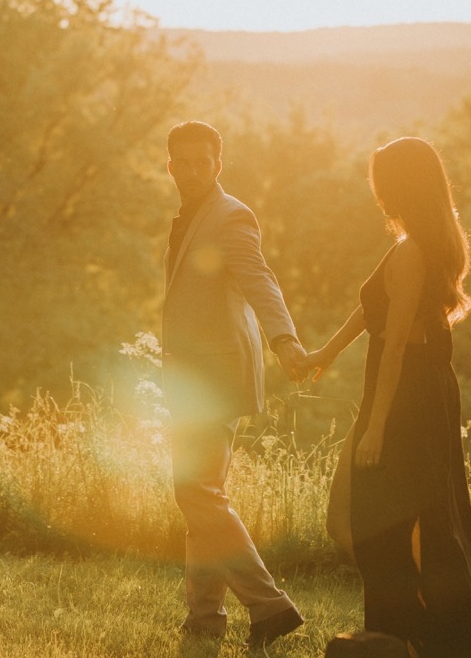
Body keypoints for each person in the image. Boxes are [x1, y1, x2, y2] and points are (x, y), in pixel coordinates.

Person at [304, 137, 471, 658]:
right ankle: (412, 635)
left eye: (380, 179)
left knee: (398, 520)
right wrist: (324, 353)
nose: (375, 191)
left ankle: (419, 640)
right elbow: (375, 311)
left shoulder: (414, 250)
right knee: (359, 518)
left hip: (405, 396)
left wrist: (376, 424)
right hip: (403, 391)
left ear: (400, 184)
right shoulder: (412, 244)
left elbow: (396, 347)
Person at [161, 120, 309, 649]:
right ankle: (205, 617)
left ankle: (269, 605)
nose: (194, 171)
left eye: (205, 162)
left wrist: (285, 340)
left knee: (195, 491)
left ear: (218, 165)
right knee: (204, 494)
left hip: (217, 377)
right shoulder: (188, 216)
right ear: (171, 165)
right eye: (185, 162)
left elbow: (259, 279)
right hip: (191, 377)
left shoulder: (231, 215)